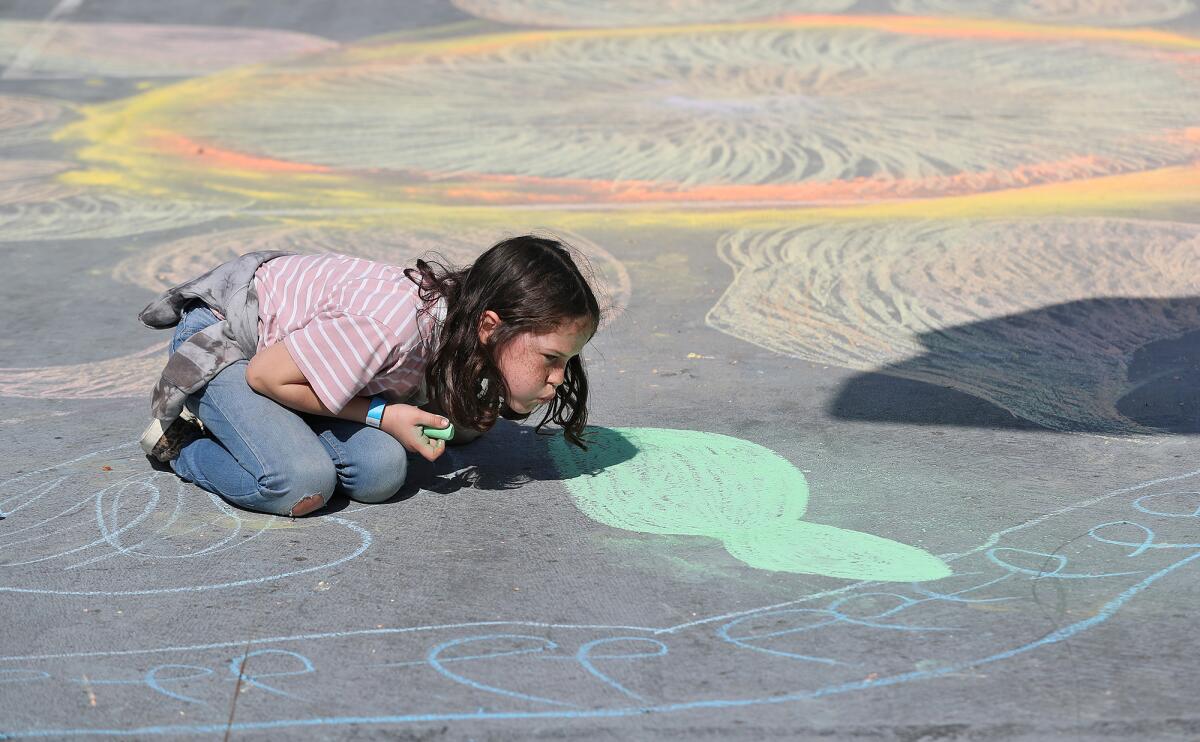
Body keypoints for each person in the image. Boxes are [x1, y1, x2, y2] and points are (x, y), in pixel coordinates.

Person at [138, 235, 601, 518]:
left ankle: (277, 431)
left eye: (568, 362)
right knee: (300, 483)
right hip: (233, 346)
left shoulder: (461, 332)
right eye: (550, 359)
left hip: (296, 364)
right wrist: (384, 415)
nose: (559, 379)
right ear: (490, 326)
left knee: (381, 471)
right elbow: (266, 376)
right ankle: (182, 443)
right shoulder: (391, 327)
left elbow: (455, 425)